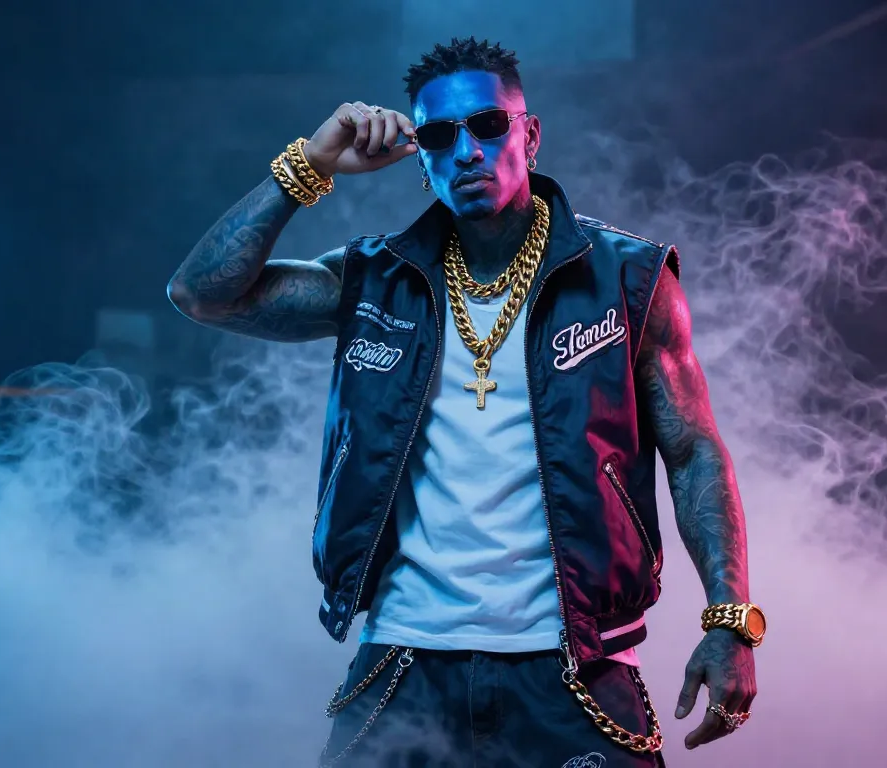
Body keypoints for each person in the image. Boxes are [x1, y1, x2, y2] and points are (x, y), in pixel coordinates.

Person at [168, 37, 762, 768]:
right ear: (420, 158)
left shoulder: (628, 279)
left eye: (488, 125)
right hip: (404, 663)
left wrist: (730, 621)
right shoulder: (373, 279)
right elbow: (202, 294)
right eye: (441, 136)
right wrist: (310, 166)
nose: (468, 151)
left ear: (530, 135)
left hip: (574, 667)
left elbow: (694, 450)